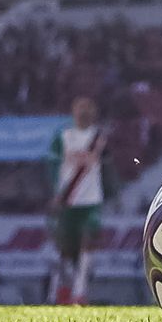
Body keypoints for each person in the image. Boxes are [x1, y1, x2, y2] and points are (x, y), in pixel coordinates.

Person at [48, 94, 111, 306]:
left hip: (91, 200)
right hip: (68, 200)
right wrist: (56, 193)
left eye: (88, 107)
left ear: (94, 112)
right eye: (80, 107)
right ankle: (59, 291)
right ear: (73, 111)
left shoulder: (100, 137)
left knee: (87, 242)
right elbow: (52, 165)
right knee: (66, 249)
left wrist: (114, 192)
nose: (84, 111)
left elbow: (110, 167)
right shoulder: (63, 136)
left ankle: (80, 292)